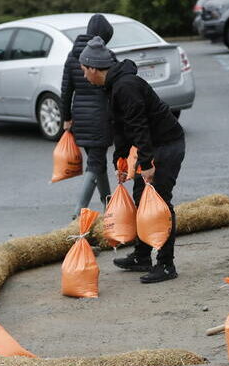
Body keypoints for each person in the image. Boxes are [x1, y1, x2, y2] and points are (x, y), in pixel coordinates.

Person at [79, 37, 186, 284]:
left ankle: (166, 264)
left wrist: (147, 164)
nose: (85, 76)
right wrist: (121, 158)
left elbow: (139, 127)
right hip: (152, 145)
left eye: (85, 71)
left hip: (167, 144)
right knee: (141, 197)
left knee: (159, 202)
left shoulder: (125, 86)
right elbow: (122, 126)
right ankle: (142, 256)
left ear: (94, 68)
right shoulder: (114, 85)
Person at [61, 14, 115, 219]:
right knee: (95, 164)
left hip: (80, 118)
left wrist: (66, 118)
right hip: (101, 118)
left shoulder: (72, 54)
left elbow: (66, 90)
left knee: (97, 163)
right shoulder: (106, 56)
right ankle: (78, 213)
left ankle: (109, 208)